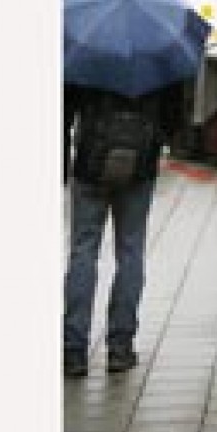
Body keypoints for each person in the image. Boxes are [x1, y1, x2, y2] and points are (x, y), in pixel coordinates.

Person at [63, 77, 188, 378]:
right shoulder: (159, 56)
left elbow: (64, 110)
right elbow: (173, 118)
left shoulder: (88, 49)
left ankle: (73, 351)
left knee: (83, 251)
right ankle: (120, 348)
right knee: (130, 252)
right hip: (139, 166)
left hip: (90, 163)